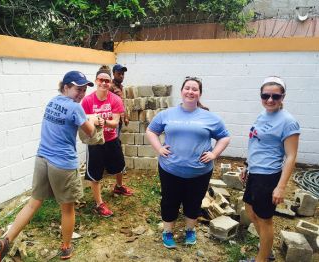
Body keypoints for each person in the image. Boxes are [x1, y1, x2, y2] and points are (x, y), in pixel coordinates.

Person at [0, 71, 98, 262]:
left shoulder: (52, 102)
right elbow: (90, 132)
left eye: (84, 90)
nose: (81, 94)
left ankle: (6, 239)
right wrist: (95, 121)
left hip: (42, 159)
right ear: (65, 87)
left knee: (33, 203)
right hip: (63, 165)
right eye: (78, 89)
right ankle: (66, 247)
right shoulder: (75, 108)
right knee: (67, 209)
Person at [146, 76, 230, 248]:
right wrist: (159, 149)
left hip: (200, 171)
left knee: (194, 201)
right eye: (187, 88)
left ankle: (190, 230)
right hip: (170, 169)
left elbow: (224, 137)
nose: (190, 92)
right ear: (182, 91)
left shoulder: (210, 118)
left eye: (195, 89)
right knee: (169, 200)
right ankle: (168, 231)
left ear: (199, 94)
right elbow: (151, 131)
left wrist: (214, 154)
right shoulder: (167, 114)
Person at [240, 76, 300, 262]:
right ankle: (267, 251)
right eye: (266, 95)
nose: (270, 100)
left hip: (268, 176)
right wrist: (247, 167)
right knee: (250, 212)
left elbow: (291, 156)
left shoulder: (288, 121)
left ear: (283, 97)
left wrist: (280, 186)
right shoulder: (263, 114)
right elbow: (257, 143)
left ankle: (262, 259)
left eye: (276, 96)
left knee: (265, 220)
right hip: (255, 173)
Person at [81, 65, 133, 218]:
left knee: (119, 166)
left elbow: (116, 122)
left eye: (107, 81)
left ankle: (119, 186)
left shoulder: (115, 99)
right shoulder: (87, 101)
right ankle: (99, 204)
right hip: (95, 142)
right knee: (95, 174)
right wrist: (93, 121)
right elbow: (84, 121)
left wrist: (102, 120)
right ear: (96, 81)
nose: (104, 83)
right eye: (101, 80)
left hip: (111, 138)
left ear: (110, 83)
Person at [110, 64, 129, 135]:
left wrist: (125, 117)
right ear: (114, 74)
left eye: (122, 74)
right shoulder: (110, 87)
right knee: (113, 141)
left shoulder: (120, 87)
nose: (121, 76)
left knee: (116, 140)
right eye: (119, 74)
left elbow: (122, 103)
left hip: (120, 119)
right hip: (113, 119)